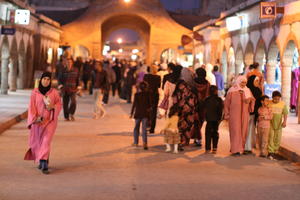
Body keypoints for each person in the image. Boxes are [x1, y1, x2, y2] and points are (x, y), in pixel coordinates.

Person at [24, 72, 62, 174]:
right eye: (44, 79)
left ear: (50, 81)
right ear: (41, 80)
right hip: (38, 121)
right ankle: (41, 160)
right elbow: (31, 107)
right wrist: (35, 118)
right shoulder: (35, 93)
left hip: (50, 121)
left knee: (46, 141)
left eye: (48, 79)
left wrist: (53, 107)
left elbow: (59, 103)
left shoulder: (54, 92)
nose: (46, 81)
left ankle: (44, 163)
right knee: (38, 142)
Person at [224, 76, 254, 156]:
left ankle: (240, 148)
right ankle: (235, 149)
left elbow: (252, 100)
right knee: (235, 131)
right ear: (238, 81)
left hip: (245, 114)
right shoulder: (231, 91)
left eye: (245, 82)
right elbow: (226, 104)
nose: (244, 84)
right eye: (242, 82)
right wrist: (226, 114)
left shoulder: (247, 90)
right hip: (234, 115)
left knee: (243, 131)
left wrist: (250, 103)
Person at [130, 81, 152, 150]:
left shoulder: (136, 95)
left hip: (138, 114)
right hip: (145, 114)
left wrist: (131, 113)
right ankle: (145, 143)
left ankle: (136, 142)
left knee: (136, 128)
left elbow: (134, 105)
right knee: (144, 129)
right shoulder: (148, 94)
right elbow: (150, 105)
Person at [244, 75, 262, 154]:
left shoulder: (258, 90)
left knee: (251, 130)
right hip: (247, 112)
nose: (258, 82)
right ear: (252, 81)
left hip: (255, 113)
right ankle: (245, 147)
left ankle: (249, 147)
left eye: (258, 81)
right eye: (256, 81)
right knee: (246, 130)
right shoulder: (247, 90)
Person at [268, 91, 288, 160]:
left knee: (278, 138)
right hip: (270, 123)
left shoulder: (282, 104)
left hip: (279, 124)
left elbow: (285, 113)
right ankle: (270, 152)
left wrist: (284, 122)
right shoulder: (269, 103)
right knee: (271, 137)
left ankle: (275, 151)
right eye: (275, 99)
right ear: (272, 97)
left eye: (278, 99)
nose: (276, 100)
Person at [193, 67, 210, 146]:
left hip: (193, 105)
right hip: (203, 106)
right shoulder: (207, 84)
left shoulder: (193, 83)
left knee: (194, 122)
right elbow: (208, 95)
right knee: (200, 122)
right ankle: (198, 138)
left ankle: (196, 137)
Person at [204, 85, 223, 154]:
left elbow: (204, 109)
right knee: (215, 133)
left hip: (209, 119)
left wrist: (205, 117)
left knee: (208, 133)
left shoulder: (207, 99)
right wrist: (220, 118)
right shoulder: (219, 100)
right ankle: (214, 148)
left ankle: (208, 148)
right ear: (216, 91)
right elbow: (220, 110)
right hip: (216, 119)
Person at [143, 65, 161, 133]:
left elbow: (144, 85)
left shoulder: (146, 76)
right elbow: (159, 86)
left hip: (147, 95)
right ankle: (152, 129)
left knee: (147, 110)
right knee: (154, 112)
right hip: (155, 95)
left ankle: (147, 126)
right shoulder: (158, 77)